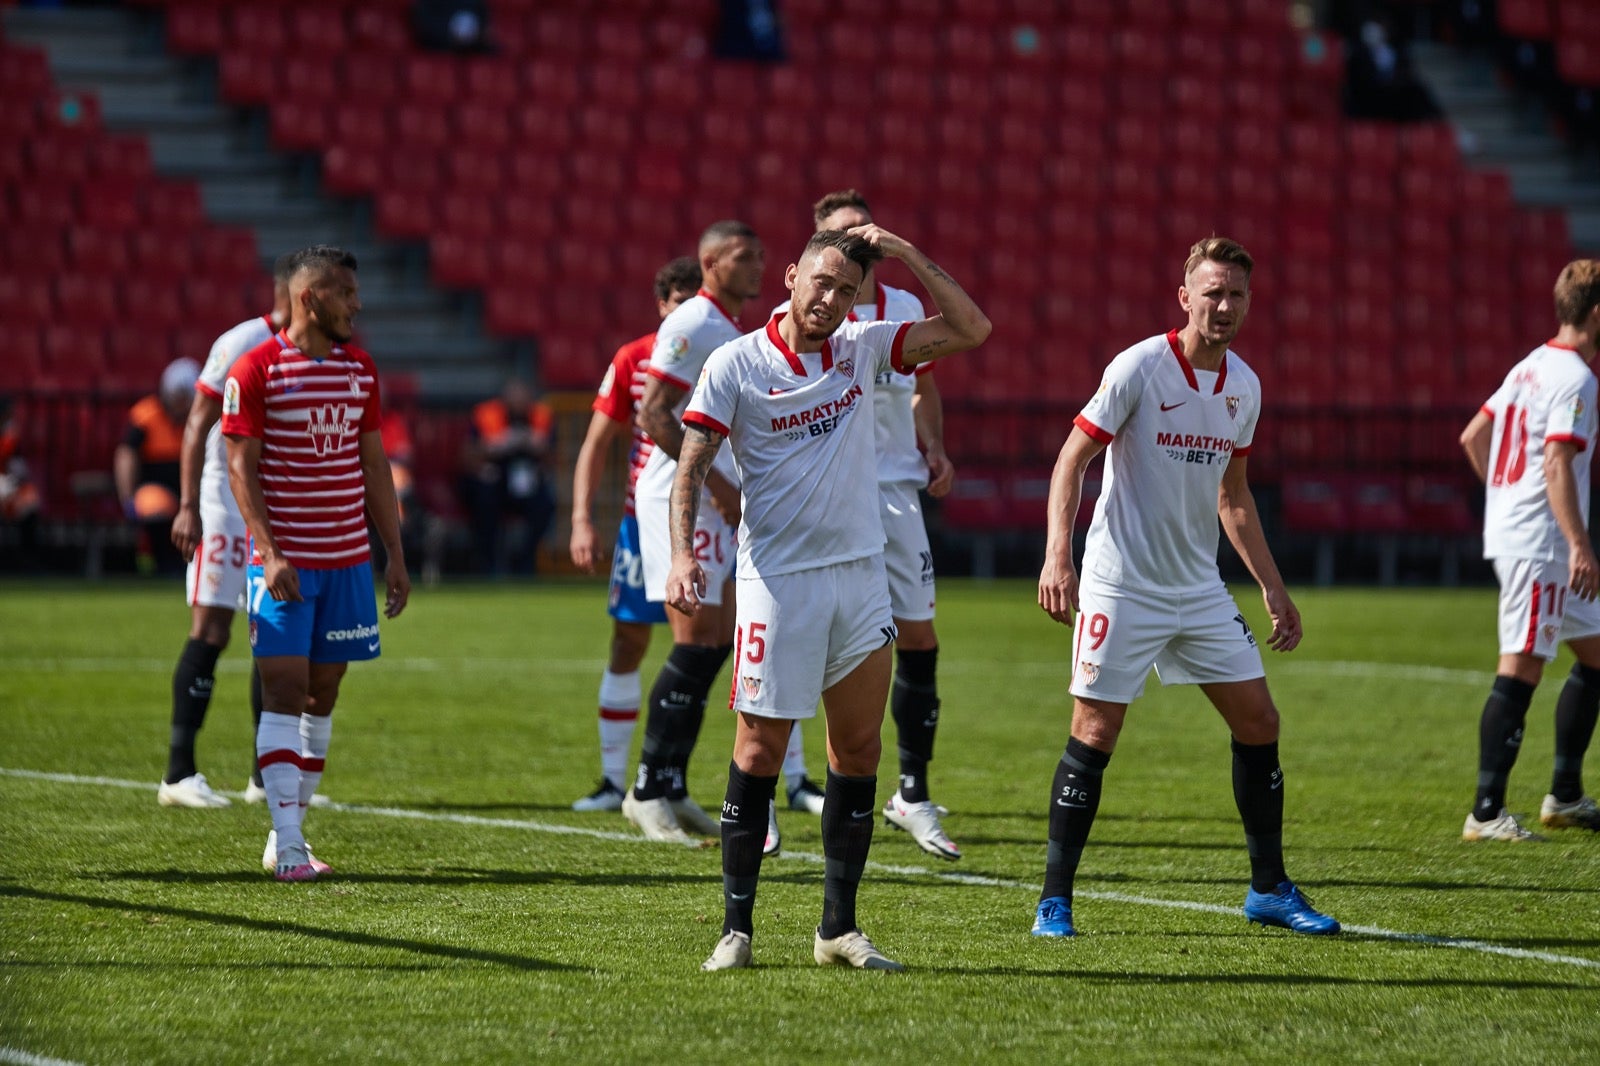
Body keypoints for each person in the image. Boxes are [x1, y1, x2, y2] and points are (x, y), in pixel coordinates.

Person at [674, 226, 990, 973]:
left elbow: (972, 329)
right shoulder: (736, 363)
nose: (831, 299)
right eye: (821, 282)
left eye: (847, 289)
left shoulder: (865, 346)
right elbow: (692, 462)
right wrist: (684, 551)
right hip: (779, 585)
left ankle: (837, 930)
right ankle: (736, 930)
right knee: (757, 751)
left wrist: (909, 252)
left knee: (858, 753)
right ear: (791, 276)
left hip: (859, 579)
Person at [1032, 236, 1339, 939]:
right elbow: (1071, 459)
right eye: (1212, 293)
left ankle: (1268, 889)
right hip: (1121, 585)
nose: (1224, 306)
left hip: (1198, 588)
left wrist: (1273, 587)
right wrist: (1059, 556)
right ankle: (1055, 900)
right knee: (1095, 731)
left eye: (1236, 294)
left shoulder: (1244, 386)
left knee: (1260, 723)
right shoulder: (1140, 367)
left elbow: (1234, 496)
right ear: (1184, 297)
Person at [769, 188, 960, 862]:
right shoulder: (800, 321)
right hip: (819, 501)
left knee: (918, 634)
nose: (857, 240)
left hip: (894, 489)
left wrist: (932, 446)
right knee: (791, 634)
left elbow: (924, 387)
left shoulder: (902, 310)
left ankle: (911, 792)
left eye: (863, 230)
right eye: (840, 233)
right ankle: (771, 789)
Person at [221, 244, 409, 881]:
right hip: (284, 567)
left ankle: (288, 834)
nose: (357, 304)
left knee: (322, 694)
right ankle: (291, 843)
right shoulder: (256, 370)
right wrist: (268, 552)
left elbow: (375, 466)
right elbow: (238, 469)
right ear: (310, 298)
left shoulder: (360, 370)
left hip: (349, 562)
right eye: (346, 293)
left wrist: (396, 554)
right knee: (281, 689)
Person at [622, 220, 766, 844]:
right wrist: (714, 484)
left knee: (716, 642)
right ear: (709, 263)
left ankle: (673, 784)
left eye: (761, 255)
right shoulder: (692, 324)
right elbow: (653, 410)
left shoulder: (733, 329)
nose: (758, 265)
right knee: (695, 636)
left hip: (719, 497)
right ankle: (647, 789)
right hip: (683, 497)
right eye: (743, 256)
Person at [1457, 259, 1600, 841]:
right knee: (1521, 664)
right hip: (1543, 542)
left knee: (1596, 655)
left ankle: (1564, 795)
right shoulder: (1576, 378)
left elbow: (1474, 435)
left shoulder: (1530, 366)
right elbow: (1556, 461)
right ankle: (1486, 812)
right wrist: (1578, 544)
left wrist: (1503, 494)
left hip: (1529, 532)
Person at [568, 255, 701, 811]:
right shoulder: (635, 357)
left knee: (711, 647)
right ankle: (611, 779)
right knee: (629, 641)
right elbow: (597, 440)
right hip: (643, 522)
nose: (688, 314)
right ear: (662, 304)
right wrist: (580, 518)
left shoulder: (729, 347)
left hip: (707, 521)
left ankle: (779, 780)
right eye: (679, 303)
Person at [160, 253, 293, 809]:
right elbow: (197, 422)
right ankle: (178, 774)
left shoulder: (309, 353)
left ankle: (263, 779)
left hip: (265, 503)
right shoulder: (240, 342)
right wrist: (189, 503)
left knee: (271, 635)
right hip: (221, 500)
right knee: (212, 629)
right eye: (339, 290)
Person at [460, 378, 556, 574]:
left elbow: (551, 456)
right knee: (485, 501)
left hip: (526, 478)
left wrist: (535, 444)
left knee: (545, 503)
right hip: (493, 478)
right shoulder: (486, 414)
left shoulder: (541, 415)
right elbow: (467, 455)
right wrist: (497, 445)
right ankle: (489, 564)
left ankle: (525, 563)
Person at [116, 358, 197, 575]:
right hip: (156, 486)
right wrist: (127, 496)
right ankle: (162, 564)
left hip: (190, 487)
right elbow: (126, 454)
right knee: (156, 506)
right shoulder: (146, 415)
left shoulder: (198, 416)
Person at [0, 396, 42, 570]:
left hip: (5, 482)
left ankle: (28, 560)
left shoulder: (10, 438)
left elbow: (17, 468)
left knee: (30, 499)